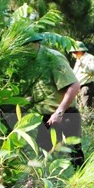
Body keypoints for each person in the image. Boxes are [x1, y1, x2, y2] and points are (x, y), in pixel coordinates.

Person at [23, 33, 84, 167]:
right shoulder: (28, 62)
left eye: (24, 46)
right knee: (44, 153)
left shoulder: (53, 58)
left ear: (35, 43)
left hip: (65, 114)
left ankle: (82, 177)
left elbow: (74, 86)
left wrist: (59, 112)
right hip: (45, 117)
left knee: (74, 154)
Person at [70, 41, 94, 109]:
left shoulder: (89, 58)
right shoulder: (78, 60)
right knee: (81, 111)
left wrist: (84, 66)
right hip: (79, 89)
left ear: (80, 51)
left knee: (88, 110)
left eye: (74, 52)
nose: (73, 54)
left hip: (86, 87)